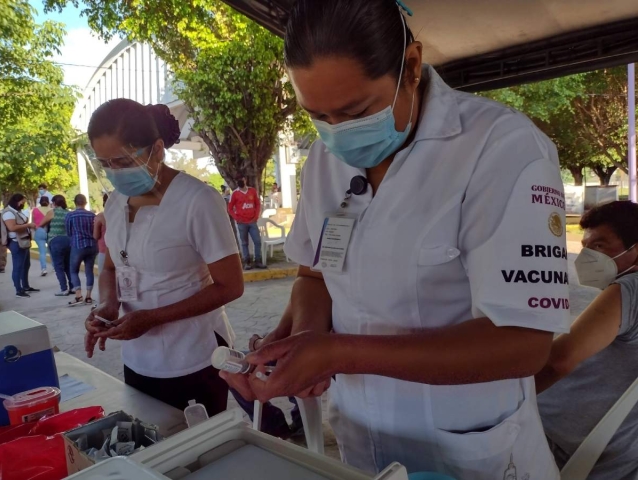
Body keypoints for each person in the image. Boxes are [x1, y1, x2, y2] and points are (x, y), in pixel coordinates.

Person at [223, 1, 570, 478]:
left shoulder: (501, 148)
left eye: (356, 111)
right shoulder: (324, 162)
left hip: (469, 444)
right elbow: (314, 273)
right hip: (361, 435)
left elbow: (525, 343)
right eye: (318, 116)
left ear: (410, 66)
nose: (338, 133)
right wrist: (304, 338)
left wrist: (338, 352)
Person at [83, 99, 244, 416]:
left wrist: (152, 318)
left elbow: (231, 286)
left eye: (123, 161)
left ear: (156, 149)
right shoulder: (115, 203)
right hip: (137, 359)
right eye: (105, 164)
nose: (115, 172)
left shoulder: (198, 201)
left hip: (194, 358)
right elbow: (112, 267)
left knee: (200, 456)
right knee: (154, 449)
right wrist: (107, 305)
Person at [537, 201, 638, 479]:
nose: (585, 257)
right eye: (584, 246)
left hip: (562, 447)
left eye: (600, 246)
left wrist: (506, 401)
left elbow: (558, 361)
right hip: (615, 452)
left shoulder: (631, 288)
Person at [0, 194, 39, 298]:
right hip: (16, 242)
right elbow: (12, 227)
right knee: (18, 267)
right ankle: (18, 290)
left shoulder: (17, 211)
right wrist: (28, 225)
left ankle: (25, 286)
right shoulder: (8, 213)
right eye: (22, 202)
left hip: (23, 241)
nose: (23, 204)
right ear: (17, 201)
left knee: (26, 265)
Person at [65, 194, 98, 306]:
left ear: (75, 203)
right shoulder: (92, 215)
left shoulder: (71, 215)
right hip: (92, 245)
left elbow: (68, 232)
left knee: (73, 270)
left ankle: (78, 295)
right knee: (89, 271)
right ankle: (88, 296)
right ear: (85, 203)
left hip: (78, 245)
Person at [228, 176, 266, 270]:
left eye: (242, 180)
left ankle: (257, 260)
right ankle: (247, 262)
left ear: (245, 180)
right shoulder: (235, 193)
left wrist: (256, 216)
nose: (241, 182)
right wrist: (237, 218)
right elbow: (229, 208)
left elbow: (257, 204)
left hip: (252, 221)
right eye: (238, 180)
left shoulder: (252, 191)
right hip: (242, 223)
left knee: (257, 241)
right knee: (244, 243)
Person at [40, 195, 74, 296]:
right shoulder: (68, 213)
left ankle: (64, 289)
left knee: (59, 266)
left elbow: (41, 224)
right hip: (68, 240)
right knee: (68, 265)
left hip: (55, 240)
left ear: (54, 203)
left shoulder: (52, 212)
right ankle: (72, 287)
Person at [32, 196, 52, 276]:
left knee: (42, 252)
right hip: (50, 231)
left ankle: (43, 269)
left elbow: (33, 222)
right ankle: (55, 267)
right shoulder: (51, 210)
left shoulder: (35, 210)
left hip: (39, 230)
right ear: (48, 202)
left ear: (40, 202)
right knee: (51, 250)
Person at [94, 193, 108, 276]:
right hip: (121, 252)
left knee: (103, 276)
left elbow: (96, 236)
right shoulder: (123, 214)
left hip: (104, 250)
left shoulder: (101, 216)